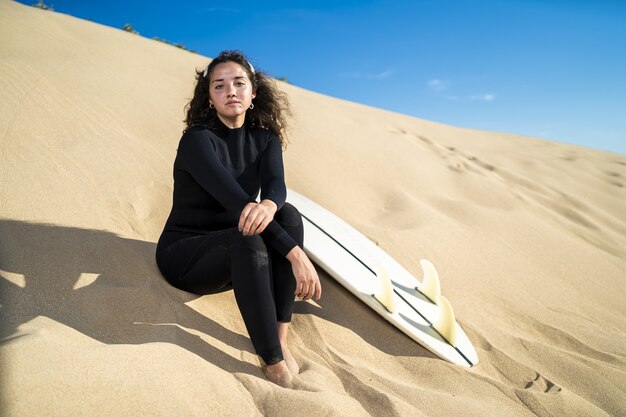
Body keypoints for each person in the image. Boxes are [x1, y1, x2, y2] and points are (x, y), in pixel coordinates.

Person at [155, 50, 321, 388]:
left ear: (253, 92)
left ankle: (280, 336)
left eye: (239, 83)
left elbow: (277, 189)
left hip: (242, 254)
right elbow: (237, 203)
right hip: (187, 256)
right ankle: (272, 363)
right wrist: (296, 254)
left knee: (287, 214)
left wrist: (271, 206)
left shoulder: (266, 140)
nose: (230, 91)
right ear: (210, 98)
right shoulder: (197, 141)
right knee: (247, 238)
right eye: (219, 86)